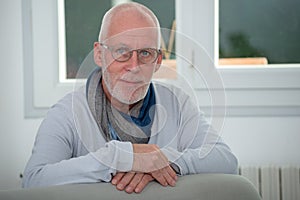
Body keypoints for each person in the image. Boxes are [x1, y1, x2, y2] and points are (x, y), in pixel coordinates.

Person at [22, 2, 238, 193]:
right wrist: (121, 158)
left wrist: (160, 162)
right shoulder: (66, 113)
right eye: (121, 51)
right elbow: (34, 181)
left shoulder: (177, 103)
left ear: (158, 61)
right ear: (99, 54)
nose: (134, 66)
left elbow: (227, 161)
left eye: (145, 53)